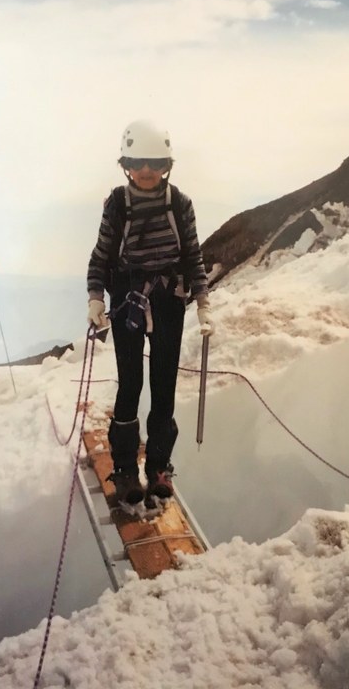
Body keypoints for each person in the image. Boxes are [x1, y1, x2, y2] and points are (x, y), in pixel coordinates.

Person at [87, 119, 214, 512]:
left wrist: (204, 301)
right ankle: (126, 470)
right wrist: (95, 297)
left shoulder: (180, 204)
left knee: (163, 386)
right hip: (127, 299)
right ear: (127, 162)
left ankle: (158, 468)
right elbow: (101, 255)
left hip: (167, 301)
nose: (146, 170)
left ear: (166, 165)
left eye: (155, 162)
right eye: (139, 161)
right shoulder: (118, 204)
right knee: (130, 386)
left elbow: (192, 255)